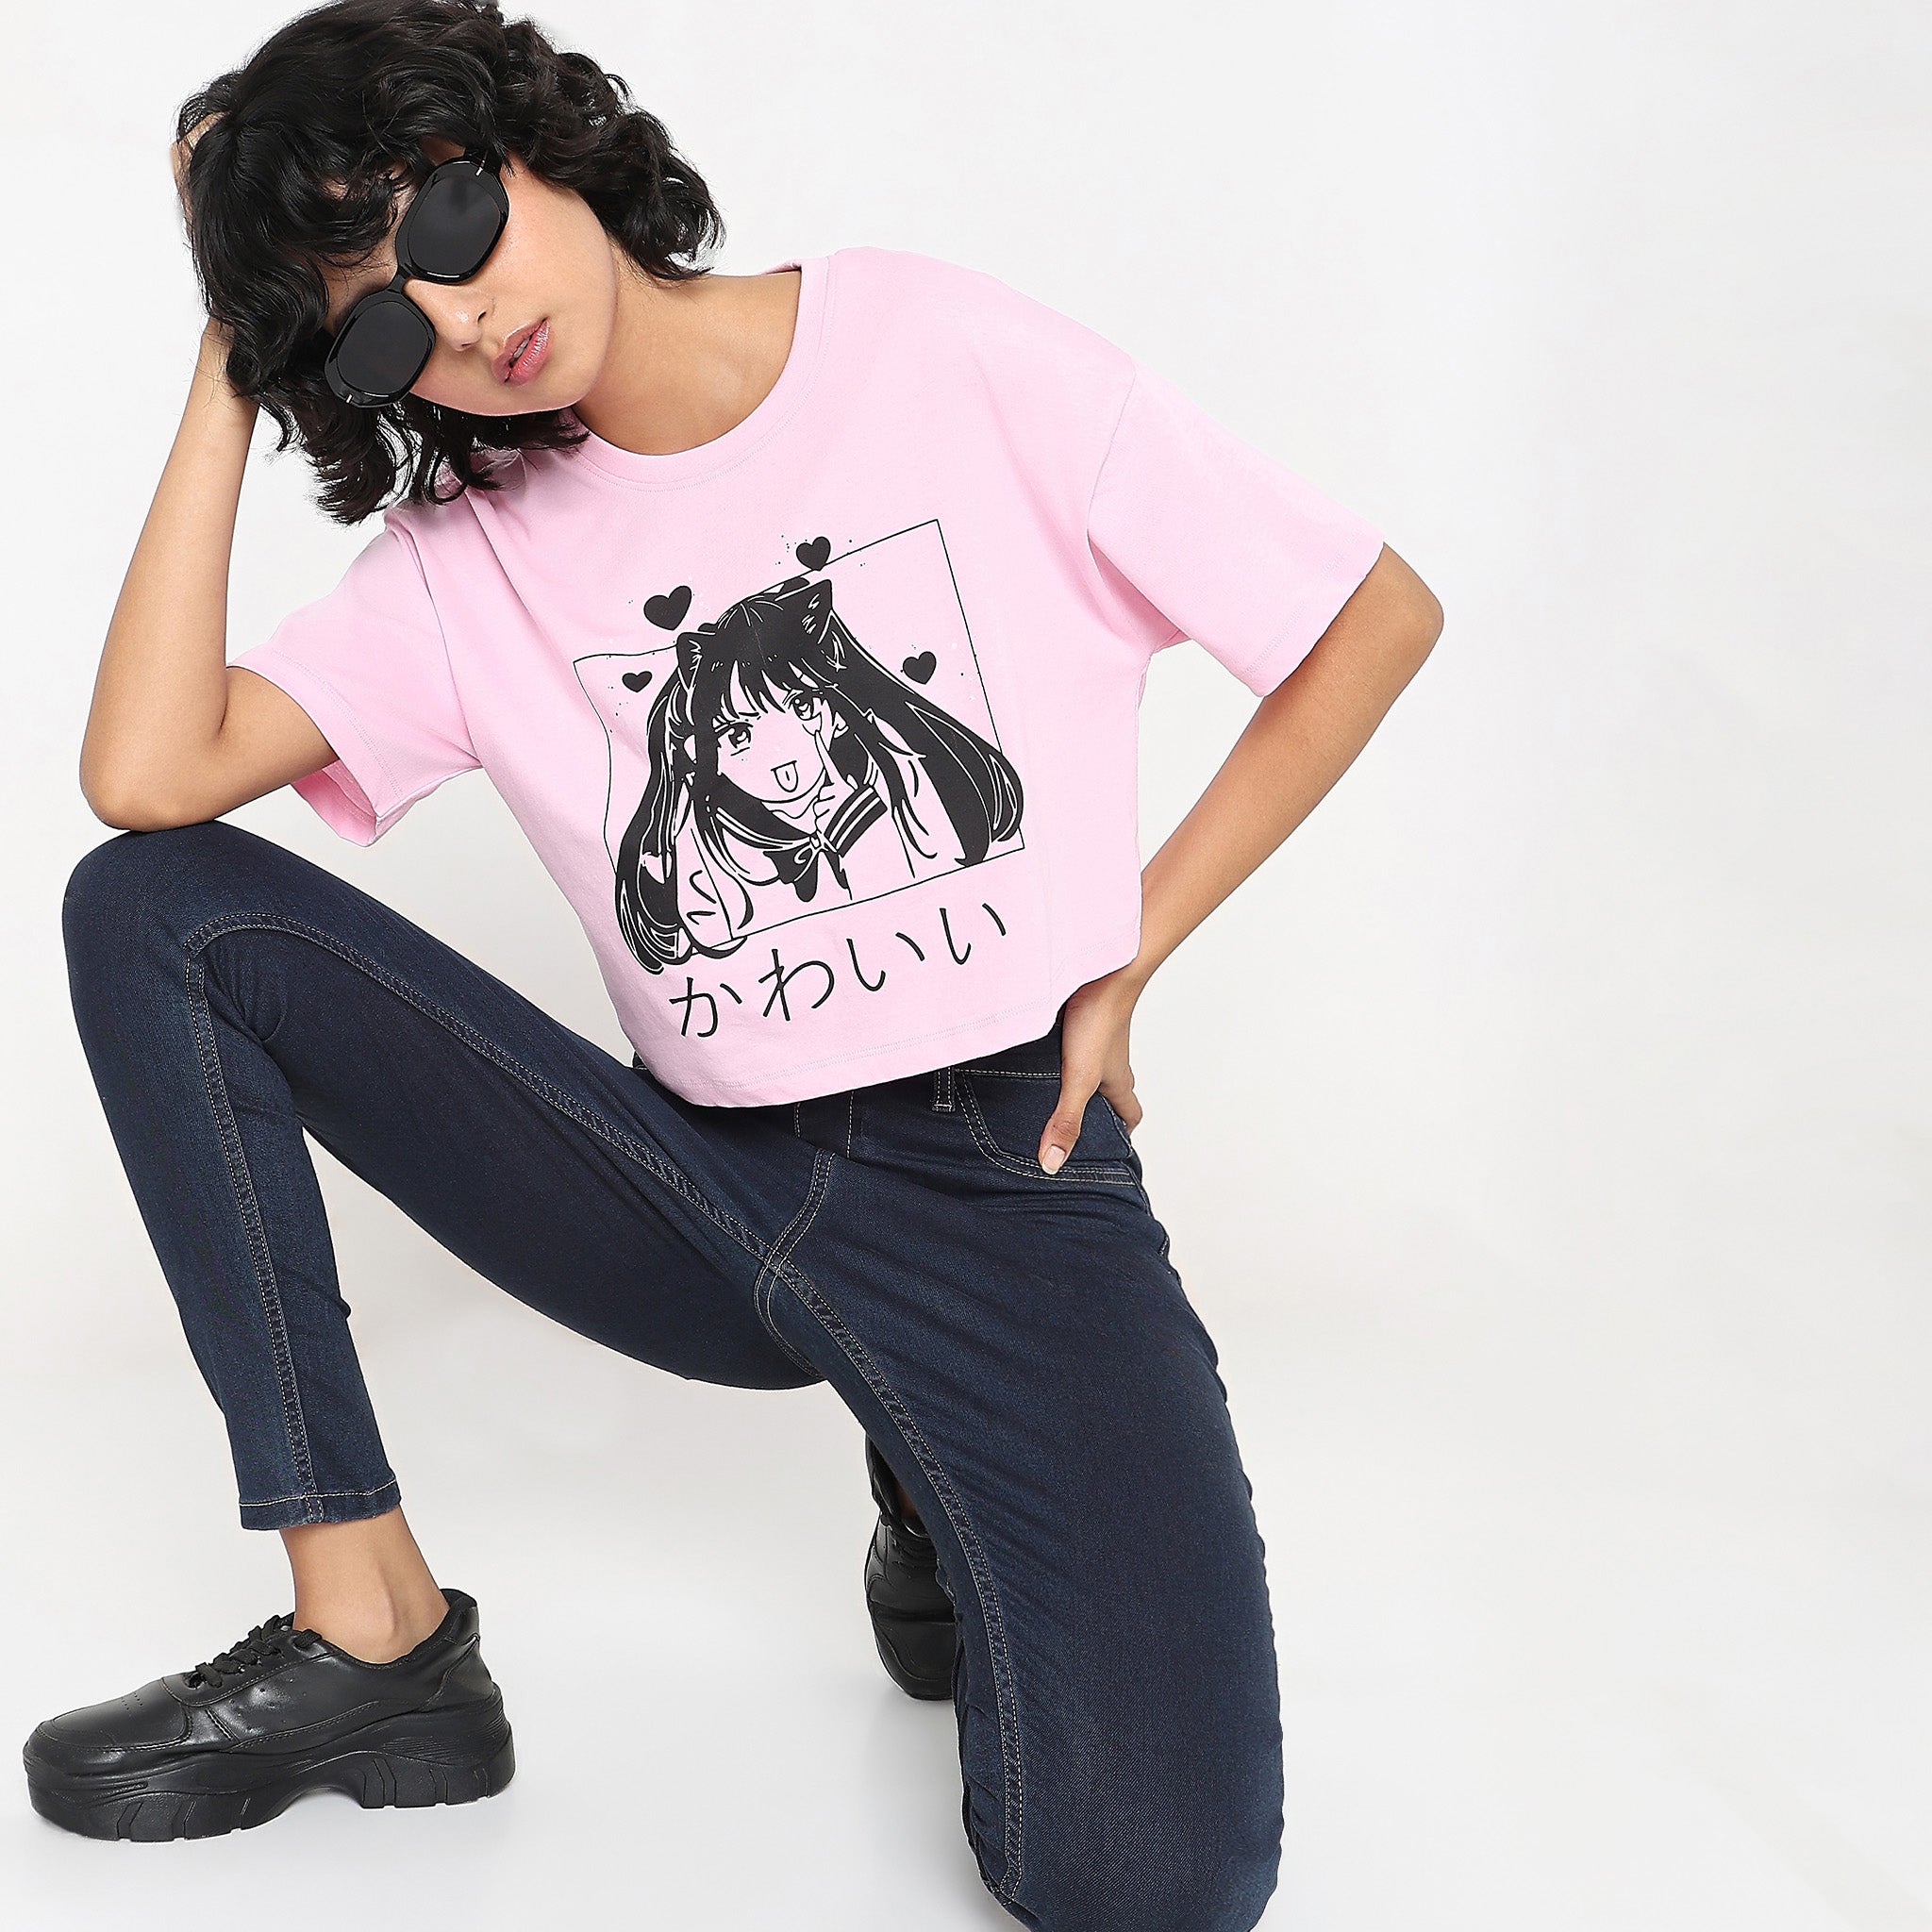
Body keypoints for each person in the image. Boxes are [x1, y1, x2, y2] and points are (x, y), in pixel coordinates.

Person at [26, 1, 1443, 1925]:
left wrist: (1133, 943)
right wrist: (232, 349)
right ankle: (373, 1630)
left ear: (535, 139)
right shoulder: (471, 554)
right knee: (153, 909)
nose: (460, 321)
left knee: (1145, 1888)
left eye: (447, 228)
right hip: (706, 1192)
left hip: (996, 1174)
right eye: (376, 332)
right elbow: (147, 775)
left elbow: (1366, 614)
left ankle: (933, 1473)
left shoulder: (930, 349)